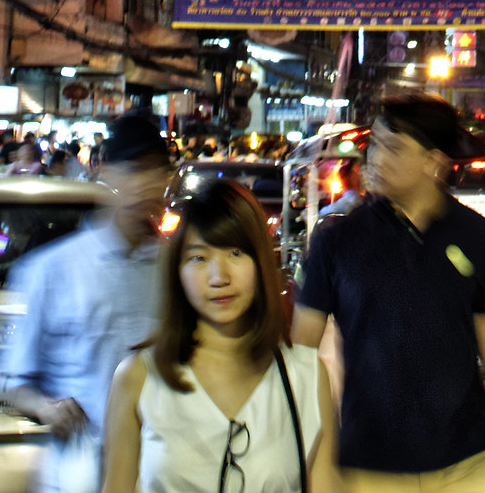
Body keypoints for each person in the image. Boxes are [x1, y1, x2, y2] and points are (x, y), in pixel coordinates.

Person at [293, 93, 485, 493]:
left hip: (467, 461)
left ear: (433, 161)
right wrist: (311, 453)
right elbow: (301, 354)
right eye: (375, 144)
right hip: (369, 467)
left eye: (393, 148)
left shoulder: (475, 235)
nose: (375, 158)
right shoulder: (337, 240)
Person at [99, 181, 335, 493]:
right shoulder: (139, 377)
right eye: (199, 258)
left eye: (236, 253)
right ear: (177, 270)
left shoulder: (306, 377)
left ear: (261, 261)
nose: (218, 277)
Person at [0, 112, 172, 493]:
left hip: (160, 472)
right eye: (134, 170)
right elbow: (16, 380)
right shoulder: (51, 269)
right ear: (106, 172)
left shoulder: (177, 271)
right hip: (78, 474)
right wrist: (47, 408)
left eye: (155, 171)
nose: (144, 184)